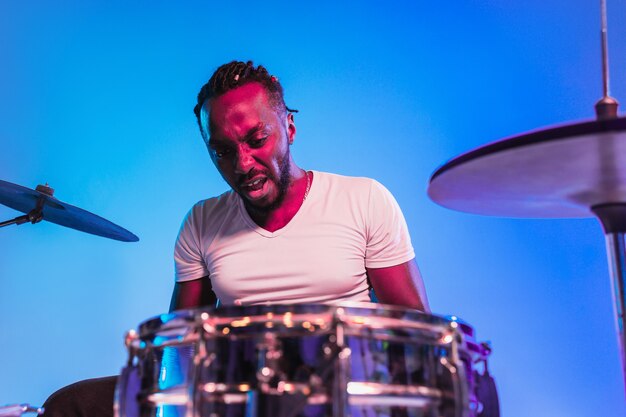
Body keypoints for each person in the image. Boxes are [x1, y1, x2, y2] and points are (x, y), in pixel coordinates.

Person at [41, 60, 429, 417]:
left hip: (341, 390)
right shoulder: (202, 220)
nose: (242, 163)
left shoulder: (362, 199)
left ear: (289, 128)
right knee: (69, 405)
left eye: (256, 140)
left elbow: (415, 331)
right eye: (222, 151)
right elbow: (181, 345)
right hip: (239, 392)